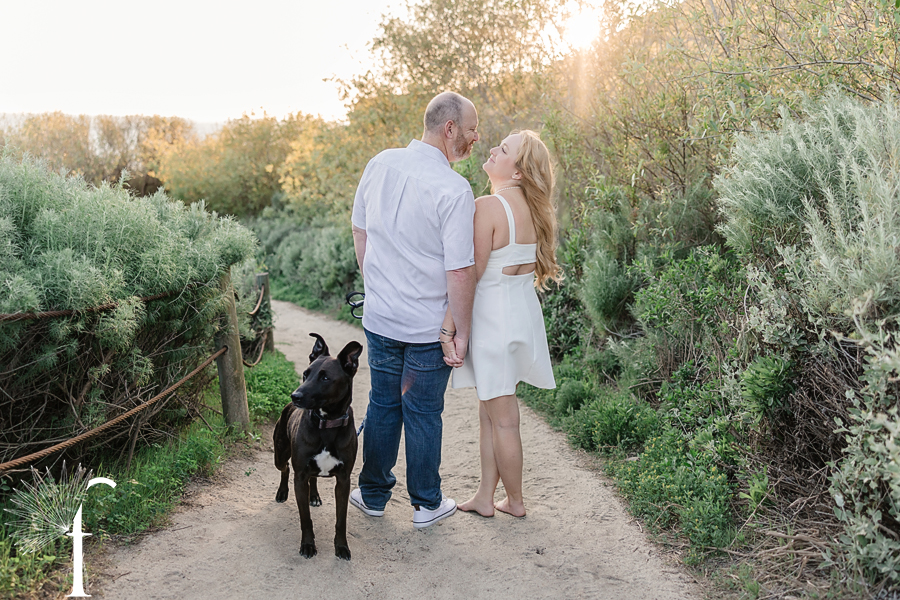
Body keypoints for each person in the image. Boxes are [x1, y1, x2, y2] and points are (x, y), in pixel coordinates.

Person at [349, 91, 479, 529]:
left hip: (380, 318)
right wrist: (461, 331)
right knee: (423, 412)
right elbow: (459, 270)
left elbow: (360, 231)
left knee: (383, 404)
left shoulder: (379, 163)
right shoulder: (454, 189)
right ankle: (426, 504)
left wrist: (376, 285)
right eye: (471, 129)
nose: (475, 138)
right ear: (449, 128)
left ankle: (372, 496)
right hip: (427, 327)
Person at [440, 130, 561, 518]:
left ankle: (516, 501)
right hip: (521, 318)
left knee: (504, 420)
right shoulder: (532, 209)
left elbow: (470, 275)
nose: (493, 150)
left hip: (494, 323)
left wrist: (448, 327)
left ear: (519, 171)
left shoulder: (489, 206)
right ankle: (485, 497)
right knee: (490, 413)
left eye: (503, 149)